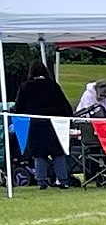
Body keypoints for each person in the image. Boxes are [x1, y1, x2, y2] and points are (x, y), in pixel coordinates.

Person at [13, 60, 74, 188]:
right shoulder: (53, 86)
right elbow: (65, 106)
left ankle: (41, 181)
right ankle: (63, 180)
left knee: (39, 153)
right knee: (58, 152)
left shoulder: (25, 87)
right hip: (54, 123)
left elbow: (19, 108)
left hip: (35, 123)